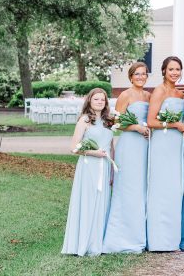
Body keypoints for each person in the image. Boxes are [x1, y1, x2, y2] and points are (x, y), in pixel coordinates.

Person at [102, 62, 151, 254]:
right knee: (129, 188)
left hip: (146, 146)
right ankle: (122, 237)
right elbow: (116, 123)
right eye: (137, 74)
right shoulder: (125, 95)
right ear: (131, 77)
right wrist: (136, 127)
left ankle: (142, 234)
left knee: (143, 187)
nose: (140, 77)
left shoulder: (148, 96)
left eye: (143, 74)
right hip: (130, 145)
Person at [62, 88, 115, 256]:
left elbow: (111, 146)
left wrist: (112, 171)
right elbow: (74, 148)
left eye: (102, 100)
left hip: (105, 166)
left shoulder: (109, 121)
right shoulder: (84, 120)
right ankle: (83, 242)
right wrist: (94, 153)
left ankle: (97, 242)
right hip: (89, 166)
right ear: (89, 101)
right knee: (88, 202)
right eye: (96, 99)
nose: (100, 102)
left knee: (102, 203)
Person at [146, 55, 184, 252]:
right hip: (162, 143)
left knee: (175, 188)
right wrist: (175, 124)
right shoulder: (159, 91)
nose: (174, 73)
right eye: (171, 69)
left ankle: (172, 238)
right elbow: (151, 121)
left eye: (177, 69)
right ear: (164, 71)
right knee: (161, 188)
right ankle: (159, 239)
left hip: (177, 144)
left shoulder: (179, 93)